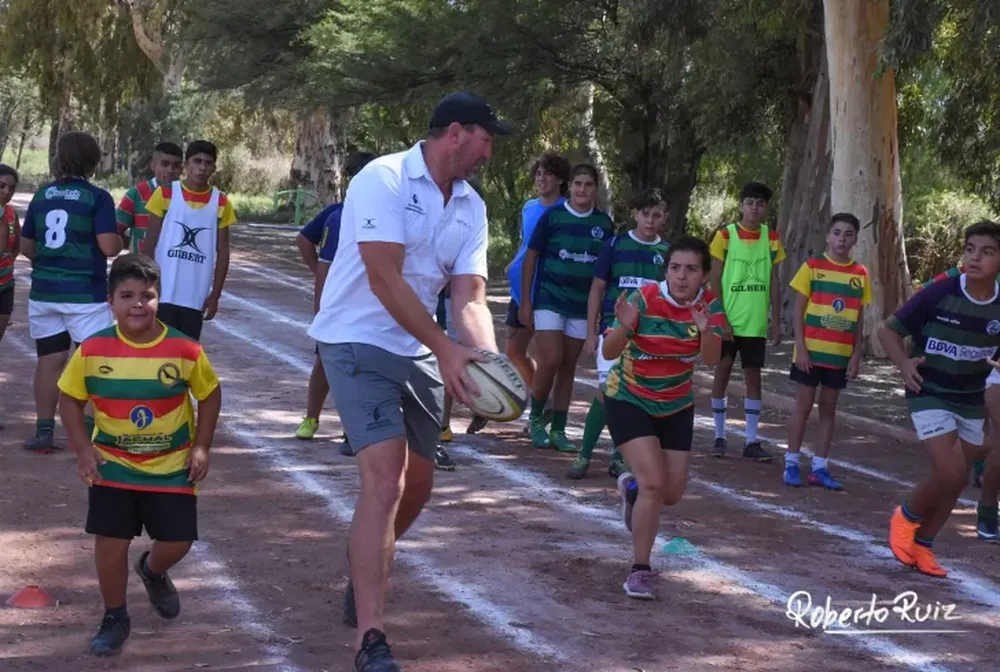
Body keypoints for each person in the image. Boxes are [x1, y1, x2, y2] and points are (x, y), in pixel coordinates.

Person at [308, 91, 511, 672]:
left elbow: (468, 295)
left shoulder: (471, 206)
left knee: (419, 486)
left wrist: (486, 361)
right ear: (455, 132)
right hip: (354, 338)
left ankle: (364, 561)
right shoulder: (385, 177)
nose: (490, 151)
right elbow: (383, 277)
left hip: (418, 347)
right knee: (387, 481)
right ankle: (371, 638)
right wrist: (445, 347)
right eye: (487, 138)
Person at [57, 254, 222, 656]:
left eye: (146, 296)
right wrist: (83, 452)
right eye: (126, 295)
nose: (137, 304)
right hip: (113, 466)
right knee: (110, 542)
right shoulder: (93, 349)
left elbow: (210, 393)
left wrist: (201, 445)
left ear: (158, 300)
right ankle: (115, 616)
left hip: (171, 466)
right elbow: (69, 399)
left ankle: (153, 569)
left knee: (178, 541)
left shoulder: (184, 349)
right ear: (110, 302)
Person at [608, 237, 725, 600]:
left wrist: (706, 331)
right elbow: (608, 349)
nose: (681, 276)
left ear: (704, 276)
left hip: (676, 404)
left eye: (691, 269)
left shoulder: (712, 306)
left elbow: (711, 359)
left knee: (670, 494)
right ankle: (639, 570)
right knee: (655, 484)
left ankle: (631, 489)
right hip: (629, 397)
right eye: (675, 268)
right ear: (667, 271)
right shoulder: (643, 298)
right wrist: (626, 326)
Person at [883, 220, 1000, 577]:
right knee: (949, 472)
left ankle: (924, 548)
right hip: (928, 390)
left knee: (960, 477)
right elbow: (888, 329)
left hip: (969, 397)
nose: (976, 257)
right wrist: (903, 364)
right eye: (970, 250)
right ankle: (906, 516)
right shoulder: (939, 292)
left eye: (987, 252)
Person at [20, 132, 123, 451]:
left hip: (45, 291)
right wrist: (123, 241)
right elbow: (108, 246)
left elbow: (26, 247)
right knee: (95, 359)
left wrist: (53, 263)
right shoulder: (97, 197)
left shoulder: (41, 195)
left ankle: (44, 430)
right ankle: (96, 427)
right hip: (84, 294)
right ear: (91, 160)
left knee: (49, 359)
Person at [568, 188, 668, 480]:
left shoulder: (667, 254)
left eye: (657, 215)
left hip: (647, 337)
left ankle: (619, 457)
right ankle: (584, 454)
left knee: (634, 398)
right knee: (606, 393)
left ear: (665, 218)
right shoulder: (614, 245)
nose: (650, 220)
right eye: (645, 214)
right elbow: (597, 288)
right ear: (635, 214)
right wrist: (590, 332)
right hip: (612, 331)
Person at [519, 164, 614, 451]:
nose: (582, 189)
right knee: (550, 358)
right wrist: (526, 301)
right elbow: (531, 257)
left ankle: (559, 428)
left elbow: (605, 272)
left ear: (595, 188)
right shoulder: (553, 217)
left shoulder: (604, 225)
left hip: (580, 305)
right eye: (577, 184)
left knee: (568, 365)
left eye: (587, 184)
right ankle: (535, 419)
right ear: (569, 187)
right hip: (549, 298)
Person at [294, 152, 377, 443]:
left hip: (370, 307)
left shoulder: (383, 217)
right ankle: (312, 417)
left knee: (363, 365)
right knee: (327, 362)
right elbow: (305, 241)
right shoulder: (339, 216)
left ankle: (351, 425)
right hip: (338, 306)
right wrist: (318, 277)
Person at [783, 213, 870, 491]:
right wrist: (801, 348)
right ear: (828, 235)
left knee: (829, 409)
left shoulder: (860, 274)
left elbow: (858, 317)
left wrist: (856, 354)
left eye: (847, 234)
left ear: (855, 238)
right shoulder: (812, 267)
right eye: (836, 233)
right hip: (810, 353)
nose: (841, 239)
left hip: (839, 354)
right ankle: (792, 463)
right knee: (803, 406)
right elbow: (798, 313)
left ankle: (819, 467)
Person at [709, 181, 784, 461]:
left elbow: (775, 279)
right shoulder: (725, 236)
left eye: (760, 203)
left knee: (754, 376)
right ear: (741, 205)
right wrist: (721, 317)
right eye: (750, 202)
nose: (754, 208)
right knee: (723, 371)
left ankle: (751, 441)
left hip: (755, 323)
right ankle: (719, 435)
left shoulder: (772, 238)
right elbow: (714, 278)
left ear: (766, 208)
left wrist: (776, 320)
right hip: (729, 320)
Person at [143, 140, 236, 341]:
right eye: (197, 161)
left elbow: (223, 251)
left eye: (208, 163)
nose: (202, 168)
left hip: (195, 296)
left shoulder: (221, 202)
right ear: (186, 164)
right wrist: (148, 285)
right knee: (159, 348)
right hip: (164, 291)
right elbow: (149, 243)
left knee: (186, 353)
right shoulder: (165, 193)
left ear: (214, 167)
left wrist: (215, 294)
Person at [504, 153, 571, 406]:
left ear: (561, 179)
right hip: (519, 289)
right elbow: (526, 244)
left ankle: (541, 408)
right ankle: (538, 401)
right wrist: (513, 263)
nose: (541, 178)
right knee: (513, 351)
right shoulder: (529, 207)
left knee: (550, 356)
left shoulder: (565, 211)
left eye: (549, 173)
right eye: (539, 173)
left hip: (545, 292)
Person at [115, 142, 184, 254]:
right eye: (164, 164)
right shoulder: (136, 194)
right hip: (142, 268)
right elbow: (116, 231)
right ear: (153, 165)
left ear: (182, 169)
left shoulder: (188, 197)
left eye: (176, 165)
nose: (170, 170)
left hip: (175, 267)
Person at [0, 163, 20, 430]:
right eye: (1, 186)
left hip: (5, 285)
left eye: (11, 188)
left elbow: (14, 250)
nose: (6, 192)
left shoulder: (12, 214)